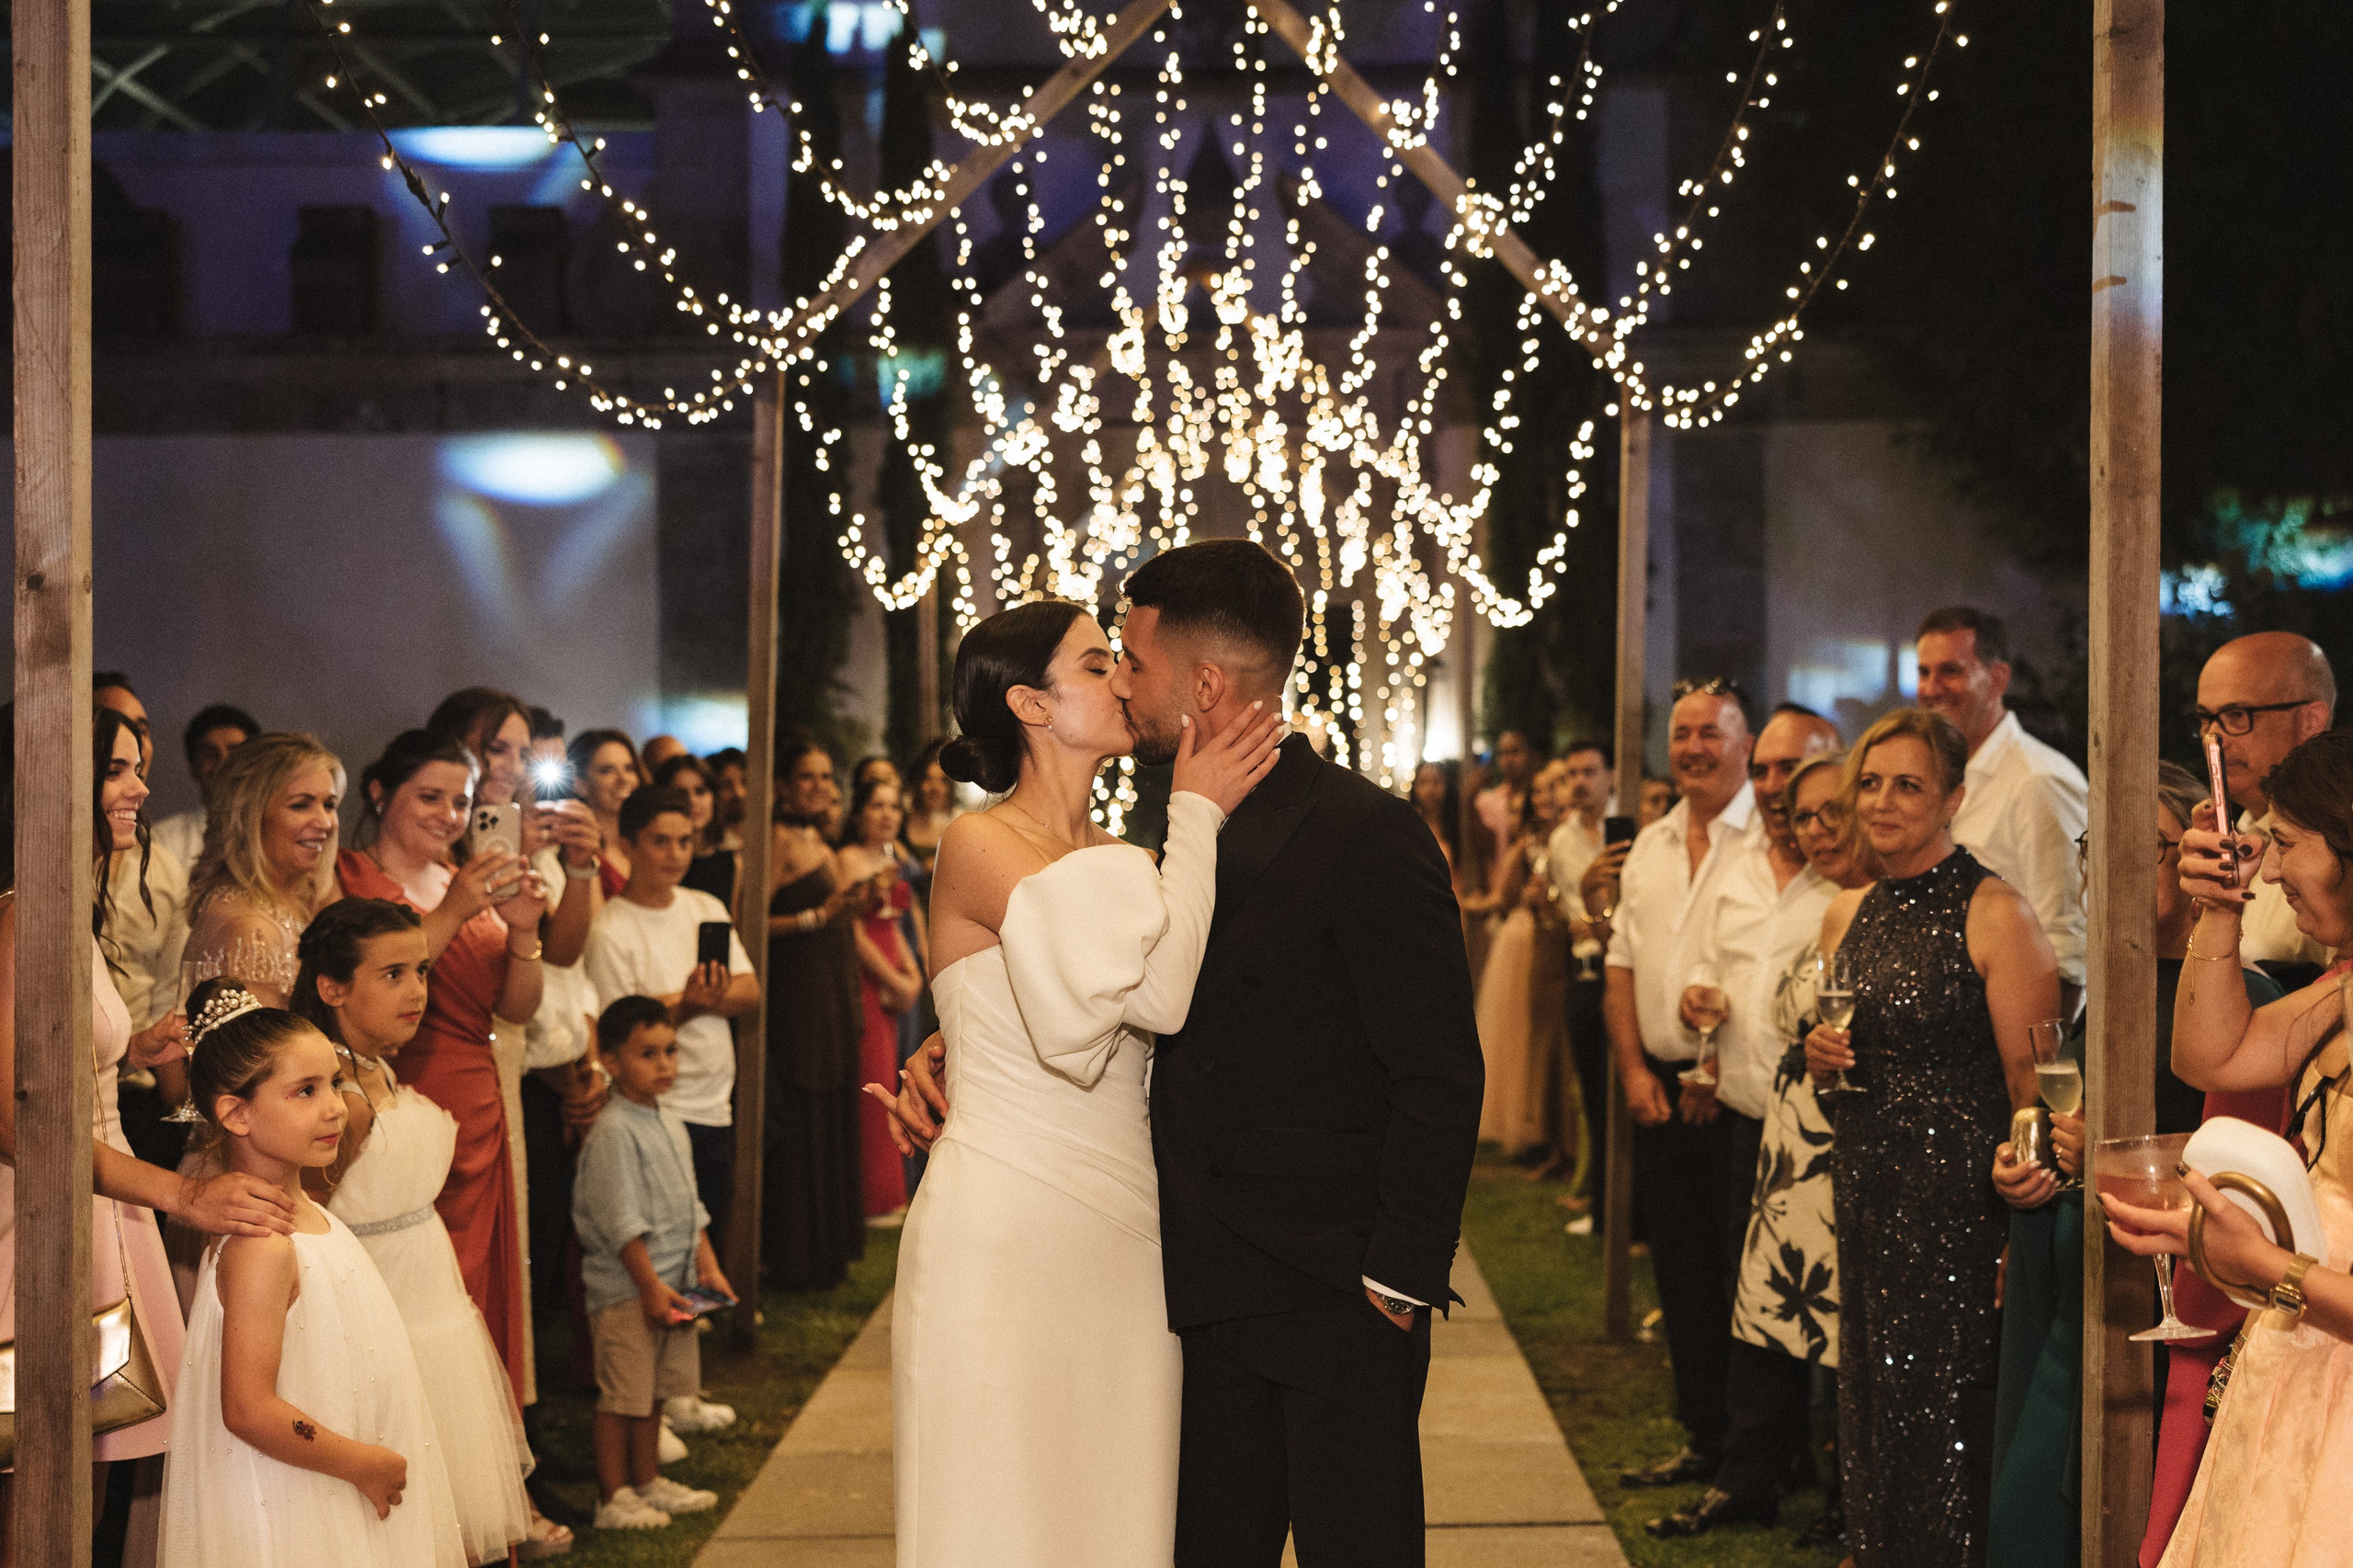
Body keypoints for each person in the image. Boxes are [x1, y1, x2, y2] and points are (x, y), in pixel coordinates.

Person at [888, 540, 1482, 1567]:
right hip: (1188, 1281)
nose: (1122, 677)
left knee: (1359, 1542)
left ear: (1202, 682)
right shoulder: (1158, 830)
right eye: (1102, 660)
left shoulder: (1365, 830)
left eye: (1130, 658)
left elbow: (1437, 1065)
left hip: (1333, 1284)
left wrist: (1402, 1266)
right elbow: (1116, 994)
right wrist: (963, 1040)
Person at [874, 588, 1279, 1565]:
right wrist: (1196, 814)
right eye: (1096, 663)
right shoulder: (979, 841)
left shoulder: (1131, 860)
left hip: (1127, 1226)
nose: (1121, 679)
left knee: (1115, 1494)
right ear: (1029, 704)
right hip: (1002, 1221)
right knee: (996, 1497)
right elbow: (1160, 993)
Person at [1986, 764, 2283, 1568]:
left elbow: (2250, 1162)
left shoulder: (2242, 998)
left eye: (2142, 848)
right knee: (2023, 1523)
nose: (2109, 868)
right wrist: (2028, 1167)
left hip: (2163, 1311)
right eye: (2096, 847)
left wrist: (2119, 1157)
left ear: (2193, 862)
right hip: (2071, 1305)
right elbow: (2058, 1126)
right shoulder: (2105, 991)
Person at [1802, 707, 2059, 1568]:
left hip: (1962, 1213)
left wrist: (2023, 1235)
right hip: (1869, 1194)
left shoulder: (1996, 913)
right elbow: (1845, 1080)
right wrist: (1822, 1061)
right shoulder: (1845, 915)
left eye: (1908, 785)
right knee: (1874, 1399)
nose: (1882, 802)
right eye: (1870, 784)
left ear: (1952, 798)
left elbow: (2038, 1094)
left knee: (1949, 1418)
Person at [2103, 728, 2353, 1567]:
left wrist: (2261, 1264)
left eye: (2283, 844)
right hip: (2306, 1352)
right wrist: (2221, 907)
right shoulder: (2342, 989)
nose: (2270, 870)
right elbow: (2213, 1056)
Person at [0, 708, 245, 1562]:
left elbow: (57, 1068)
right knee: (37, 1478)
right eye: (115, 770)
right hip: (36, 1230)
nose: (140, 788)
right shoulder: (15, 914)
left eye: (138, 767)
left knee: (89, 1466)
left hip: (101, 1215)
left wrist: (130, 1053)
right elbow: (17, 1121)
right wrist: (180, 1192)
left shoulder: (63, 906)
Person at [156, 981, 466, 1568]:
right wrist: (362, 1463)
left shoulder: (315, 1217)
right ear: (235, 1113)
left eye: (334, 1083)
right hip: (292, 1498)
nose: (335, 1107)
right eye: (305, 1091)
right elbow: (247, 1408)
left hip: (330, 1486)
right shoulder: (262, 1248)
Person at [294, 899, 549, 1564]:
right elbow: (303, 1210)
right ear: (332, 987)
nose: (417, 992)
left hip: (432, 1295)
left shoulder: (378, 1066)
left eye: (423, 972)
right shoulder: (341, 1093)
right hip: (383, 1305)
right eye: (393, 975)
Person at [1642, 706, 1842, 1539]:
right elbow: (1713, 979)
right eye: (1762, 771)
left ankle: (1833, 1486)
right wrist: (1704, 1019)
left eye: (1791, 771)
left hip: (1830, 1133)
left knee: (1829, 1315)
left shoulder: (1847, 880)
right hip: (1745, 1120)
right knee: (1749, 1305)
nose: (1773, 788)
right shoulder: (1738, 871)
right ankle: (1752, 1471)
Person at [338, 729, 548, 1406]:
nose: (449, 816)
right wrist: (458, 908)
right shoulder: (353, 879)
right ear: (379, 793)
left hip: (478, 1098)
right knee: (416, 1285)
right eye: (429, 797)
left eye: (460, 802)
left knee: (481, 1284)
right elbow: (378, 984)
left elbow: (512, 1008)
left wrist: (523, 931)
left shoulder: (467, 878)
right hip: (404, 1089)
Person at [1606, 679, 1759, 1489]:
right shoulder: (1654, 845)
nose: (1694, 747)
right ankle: (1703, 1434)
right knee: (1680, 1269)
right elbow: (1621, 965)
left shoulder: (1770, 838)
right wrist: (1633, 1067)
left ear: (1745, 742)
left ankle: (1757, 1446)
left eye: (1712, 733)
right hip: (1660, 1089)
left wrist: (1716, 1064)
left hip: (1737, 1090)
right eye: (1683, 734)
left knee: (1742, 1273)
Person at [573, 996, 731, 1532]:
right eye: (648, 1054)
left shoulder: (668, 1121)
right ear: (612, 1062)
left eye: (670, 1051)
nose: (665, 1064)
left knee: (657, 1391)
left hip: (675, 1286)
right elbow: (621, 1222)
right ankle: (612, 1496)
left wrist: (706, 1267)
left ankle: (647, 1480)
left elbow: (692, 1206)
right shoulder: (615, 1131)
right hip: (629, 1292)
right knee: (623, 1395)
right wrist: (648, 1286)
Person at [582, 784, 757, 1256]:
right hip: (652, 1108)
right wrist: (692, 1002)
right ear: (627, 843)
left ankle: (695, 1322)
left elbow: (748, 989)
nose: (676, 854)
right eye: (660, 841)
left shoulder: (705, 907)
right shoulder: (611, 929)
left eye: (685, 841)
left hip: (713, 1101)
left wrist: (674, 1002)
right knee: (657, 1239)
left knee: (705, 1232)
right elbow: (621, 1031)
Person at [1915, 606, 2089, 1014]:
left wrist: (2043, 1060)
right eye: (1924, 673)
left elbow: (2069, 943)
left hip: (2016, 1032)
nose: (1932, 688)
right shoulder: (1940, 774)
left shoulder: (2038, 780)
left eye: (1950, 671)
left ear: (1998, 680)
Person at [762, 735, 874, 1290]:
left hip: (831, 990)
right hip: (796, 996)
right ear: (782, 785)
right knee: (804, 1114)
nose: (820, 788)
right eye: (808, 777)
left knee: (832, 1109)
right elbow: (748, 925)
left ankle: (830, 1249)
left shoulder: (821, 841)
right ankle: (797, 1258)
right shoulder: (776, 840)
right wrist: (815, 916)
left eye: (827, 778)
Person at [2192, 631, 2336, 986]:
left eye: (2236, 715)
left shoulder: (2337, 845)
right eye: (2204, 719)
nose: (2213, 737)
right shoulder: (2221, 838)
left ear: (2311, 722)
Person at [183, 733, 345, 1009]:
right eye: (300, 805)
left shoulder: (293, 899)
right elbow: (268, 1052)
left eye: (329, 805)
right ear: (249, 817)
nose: (325, 822)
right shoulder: (250, 931)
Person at [837, 774, 924, 1219]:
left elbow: (896, 923)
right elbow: (853, 931)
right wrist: (893, 978)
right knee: (873, 1079)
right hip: (866, 978)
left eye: (894, 806)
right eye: (877, 806)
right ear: (859, 815)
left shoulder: (894, 858)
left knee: (895, 1075)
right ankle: (874, 1195)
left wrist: (913, 976)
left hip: (894, 976)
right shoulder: (848, 860)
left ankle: (895, 1188)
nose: (888, 815)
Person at [1473, 762, 1568, 1159]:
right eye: (1540, 792)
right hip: (1528, 939)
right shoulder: (1528, 842)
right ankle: (1533, 1129)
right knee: (1526, 1035)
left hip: (1559, 942)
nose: (1545, 799)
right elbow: (1506, 894)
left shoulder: (1569, 837)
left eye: (1553, 789)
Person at [1541, 742, 1615, 1197]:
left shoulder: (1633, 827)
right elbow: (1564, 910)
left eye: (1589, 772)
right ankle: (1600, 1196)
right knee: (1591, 1087)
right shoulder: (1560, 840)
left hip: (1626, 964)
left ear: (1609, 775)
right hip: (1583, 969)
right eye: (1571, 775)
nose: (1580, 783)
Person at [153, 703, 260, 873]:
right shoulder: (163, 840)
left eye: (235, 752)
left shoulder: (277, 833)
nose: (223, 762)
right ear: (193, 766)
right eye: (209, 754)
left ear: (256, 764)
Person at [653, 753, 740, 917]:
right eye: (681, 793)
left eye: (700, 791)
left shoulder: (731, 862)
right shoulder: (660, 859)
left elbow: (730, 925)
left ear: (713, 797)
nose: (692, 801)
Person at [569, 730, 643, 897]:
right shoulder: (574, 851)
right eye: (607, 770)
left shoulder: (649, 844)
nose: (623, 779)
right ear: (580, 784)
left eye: (629, 768)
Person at [899, 740, 958, 882]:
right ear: (917, 783)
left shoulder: (955, 826)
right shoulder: (900, 824)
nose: (935, 788)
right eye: (928, 779)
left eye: (943, 781)